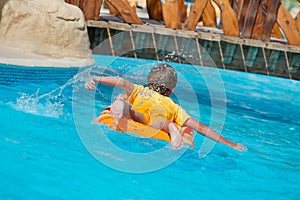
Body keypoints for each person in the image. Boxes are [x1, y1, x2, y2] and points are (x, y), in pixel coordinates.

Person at [85, 63, 245, 151]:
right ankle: (173, 129)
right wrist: (230, 144)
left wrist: (96, 78)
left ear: (148, 81)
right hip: (156, 125)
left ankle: (121, 105)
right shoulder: (173, 106)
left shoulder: (139, 90)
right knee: (166, 123)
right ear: (172, 90)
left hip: (135, 117)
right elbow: (201, 128)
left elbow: (120, 81)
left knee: (125, 102)